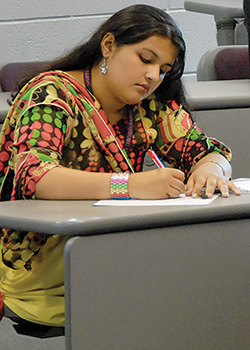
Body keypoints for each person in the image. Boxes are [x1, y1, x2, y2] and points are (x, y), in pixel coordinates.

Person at [0, 4, 240, 330]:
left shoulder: (147, 106)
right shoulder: (51, 94)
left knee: (200, 267)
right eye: (145, 59)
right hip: (38, 254)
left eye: (164, 69)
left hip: (111, 244)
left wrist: (211, 170)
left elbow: (210, 150)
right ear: (108, 45)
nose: (154, 76)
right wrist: (129, 185)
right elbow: (37, 175)